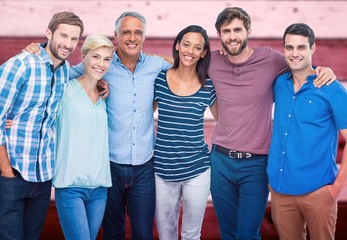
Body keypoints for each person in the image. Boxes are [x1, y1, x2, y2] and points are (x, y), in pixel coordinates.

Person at [207, 7, 336, 240]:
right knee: (227, 233)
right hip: (220, 161)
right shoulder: (211, 61)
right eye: (226, 31)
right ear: (219, 34)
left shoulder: (271, 59)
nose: (232, 36)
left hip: (256, 164)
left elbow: (301, 63)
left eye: (237, 29)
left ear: (248, 30)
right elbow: (180, 63)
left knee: (247, 234)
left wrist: (324, 70)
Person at [69, 12, 172, 239]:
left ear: (144, 37)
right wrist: (39, 50)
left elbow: (184, 63)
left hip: (145, 166)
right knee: (113, 232)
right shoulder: (101, 65)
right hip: (109, 166)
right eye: (126, 32)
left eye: (138, 32)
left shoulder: (156, 65)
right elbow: (63, 73)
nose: (132, 37)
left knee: (143, 233)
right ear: (115, 36)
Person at [0, 11, 84, 239]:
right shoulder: (19, 66)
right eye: (63, 36)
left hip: (42, 177)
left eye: (74, 39)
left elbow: (91, 70)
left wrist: (102, 85)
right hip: (13, 172)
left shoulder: (64, 72)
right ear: (49, 33)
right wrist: (7, 172)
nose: (68, 44)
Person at [267, 23, 347, 240]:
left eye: (301, 47)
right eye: (289, 48)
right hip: (281, 190)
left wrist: (335, 190)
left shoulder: (331, 88)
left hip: (318, 191)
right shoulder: (278, 84)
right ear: (283, 49)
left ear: (312, 49)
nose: (294, 54)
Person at [153, 25, 217, 240]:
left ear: (203, 53)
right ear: (178, 45)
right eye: (186, 44)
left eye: (197, 47)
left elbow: (225, 121)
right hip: (162, 170)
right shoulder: (160, 80)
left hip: (197, 169)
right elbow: (142, 115)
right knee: (166, 234)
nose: (190, 51)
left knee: (191, 234)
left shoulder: (208, 85)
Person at [53, 34, 113, 240]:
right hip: (71, 188)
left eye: (107, 59)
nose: (101, 64)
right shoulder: (64, 90)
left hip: (99, 189)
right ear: (84, 56)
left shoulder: (104, 95)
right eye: (96, 57)